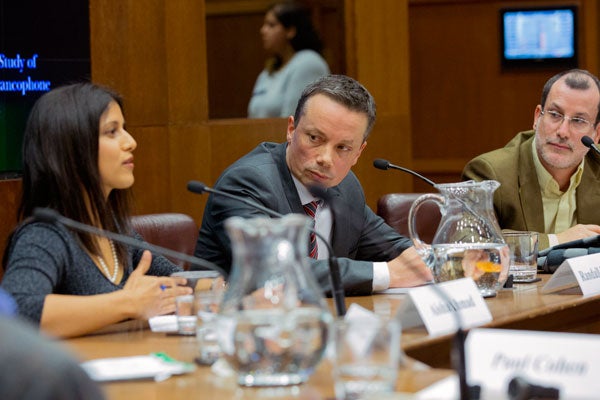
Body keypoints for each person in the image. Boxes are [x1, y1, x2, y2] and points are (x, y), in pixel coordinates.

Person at [196, 74, 432, 295]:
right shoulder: (246, 183)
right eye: (315, 138)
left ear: (358, 153)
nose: (326, 159)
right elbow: (275, 271)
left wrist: (437, 261)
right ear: (291, 130)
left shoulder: (346, 187)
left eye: (343, 148)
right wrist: (387, 274)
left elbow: (393, 247)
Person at [1, 82, 191, 338]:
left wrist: (224, 288)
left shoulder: (115, 230)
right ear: (72, 148)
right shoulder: (44, 235)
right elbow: (17, 312)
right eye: (112, 132)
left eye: (124, 129)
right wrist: (129, 303)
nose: (131, 142)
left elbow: (179, 282)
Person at [462, 69, 600, 250]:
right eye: (555, 115)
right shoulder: (489, 172)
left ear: (597, 134)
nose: (563, 132)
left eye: (578, 121)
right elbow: (468, 242)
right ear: (537, 117)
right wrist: (557, 240)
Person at [247, 1, 330, 118]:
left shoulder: (308, 63)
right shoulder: (268, 71)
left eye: (271, 25)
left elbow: (294, 122)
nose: (263, 30)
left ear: (290, 31)